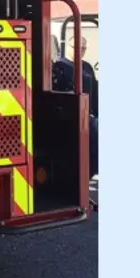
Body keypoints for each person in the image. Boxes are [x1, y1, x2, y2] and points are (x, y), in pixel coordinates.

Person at [51, 35, 99, 177]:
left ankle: (90, 171)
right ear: (70, 47)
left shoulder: (88, 68)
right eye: (78, 47)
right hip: (68, 117)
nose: (81, 51)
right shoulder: (60, 67)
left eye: (84, 48)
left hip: (88, 116)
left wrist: (96, 112)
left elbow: (94, 92)